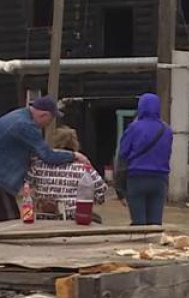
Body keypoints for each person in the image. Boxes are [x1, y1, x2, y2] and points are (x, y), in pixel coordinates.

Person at [0, 96, 90, 223]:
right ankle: (9, 240)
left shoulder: (19, 115)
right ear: (44, 115)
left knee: (3, 212)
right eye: (51, 119)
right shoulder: (26, 126)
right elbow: (47, 156)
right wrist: (75, 155)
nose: (49, 123)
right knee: (8, 217)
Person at [27, 125, 108, 221]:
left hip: (43, 216)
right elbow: (101, 191)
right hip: (73, 217)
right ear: (75, 143)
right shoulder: (83, 167)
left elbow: (27, 185)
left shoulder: (38, 164)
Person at [118, 93, 174, 226]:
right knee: (155, 224)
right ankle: (154, 245)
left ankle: (140, 245)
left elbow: (122, 155)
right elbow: (167, 153)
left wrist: (120, 188)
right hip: (159, 180)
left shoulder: (133, 128)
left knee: (139, 224)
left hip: (136, 179)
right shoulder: (167, 130)